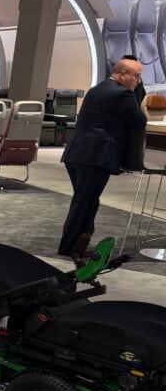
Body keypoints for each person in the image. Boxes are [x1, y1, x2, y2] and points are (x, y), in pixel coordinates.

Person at [57, 58, 147, 259]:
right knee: (84, 201)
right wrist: (136, 92)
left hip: (77, 152)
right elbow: (140, 121)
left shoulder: (98, 88)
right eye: (137, 76)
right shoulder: (122, 93)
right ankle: (68, 246)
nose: (138, 81)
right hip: (96, 155)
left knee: (88, 200)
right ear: (123, 74)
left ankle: (81, 240)